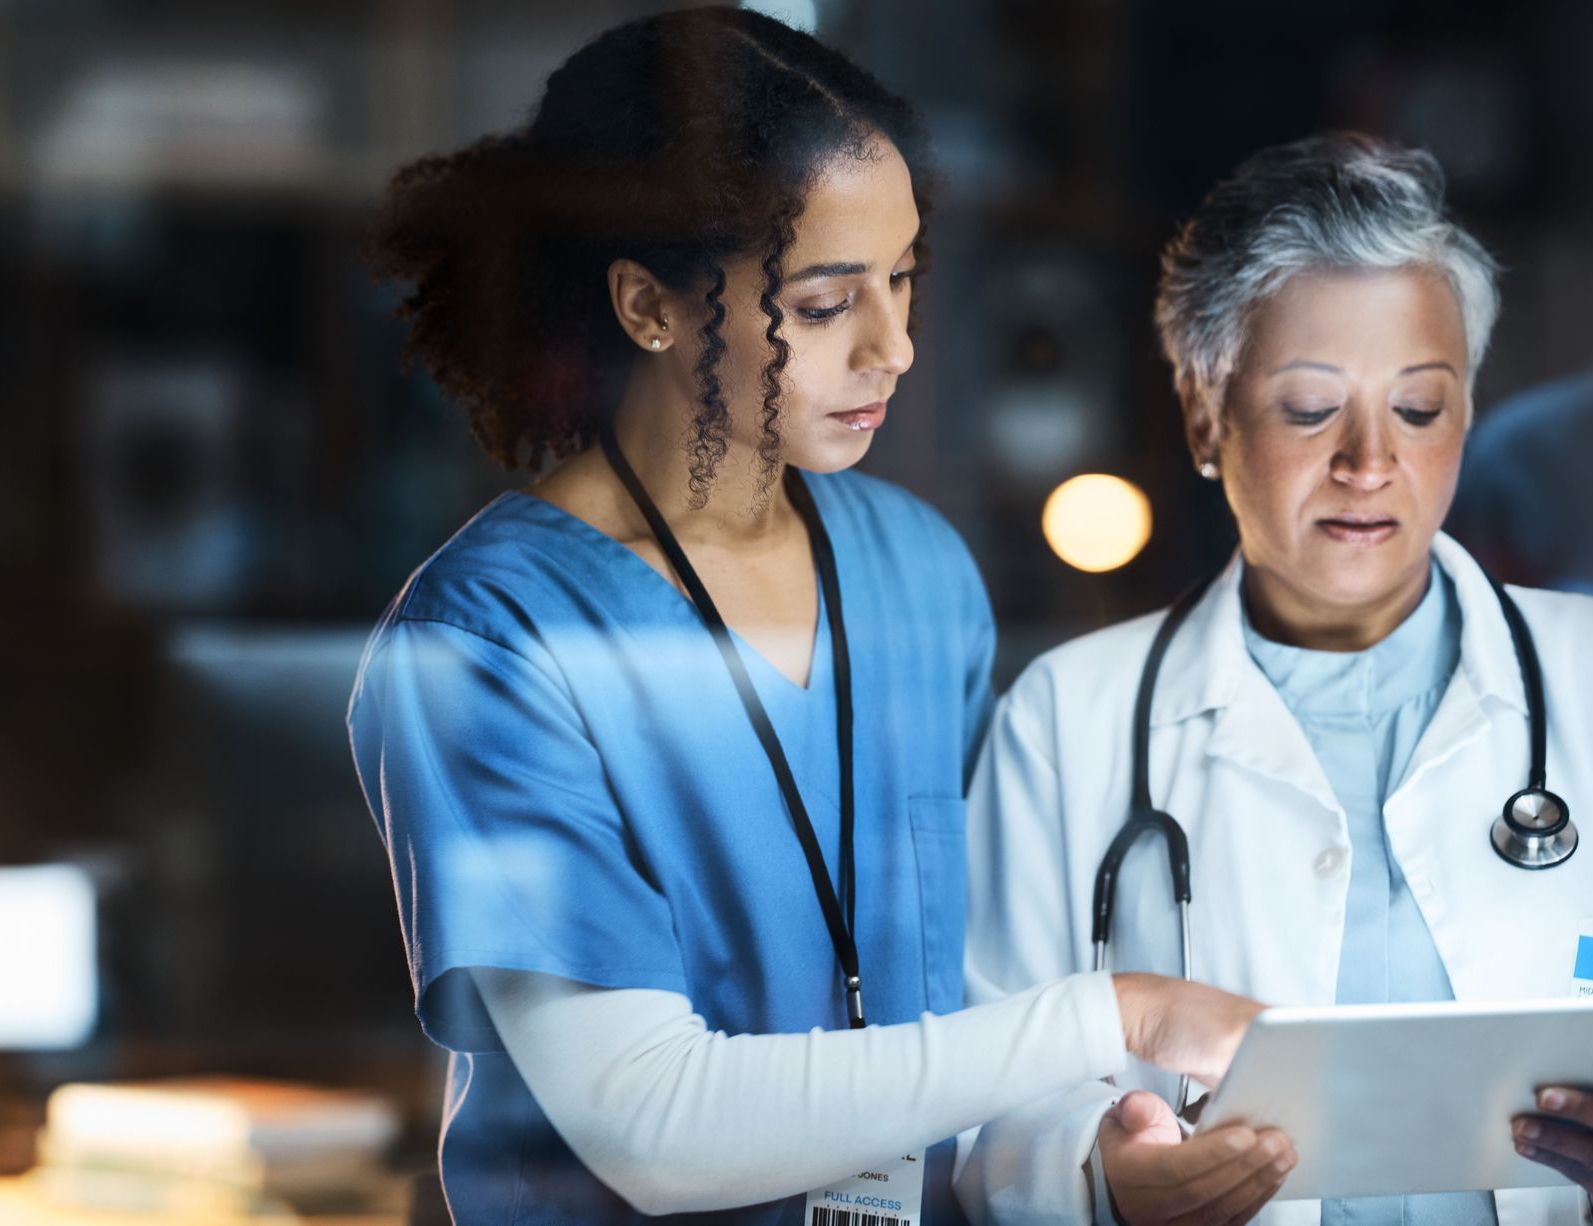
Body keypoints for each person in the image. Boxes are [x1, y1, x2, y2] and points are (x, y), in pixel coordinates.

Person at [349, 10, 1277, 1224]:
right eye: (828, 302)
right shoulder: (495, 636)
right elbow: (649, 1129)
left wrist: (1100, 1158)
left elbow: (973, 1007)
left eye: (903, 280)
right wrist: (1115, 1015)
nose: (895, 347)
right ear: (649, 305)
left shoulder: (917, 570)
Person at [956, 133, 1593, 1226]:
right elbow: (985, 1097)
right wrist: (1100, 1180)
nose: (1370, 463)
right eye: (1310, 408)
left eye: (1418, 409)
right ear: (1203, 413)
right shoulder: (1067, 720)